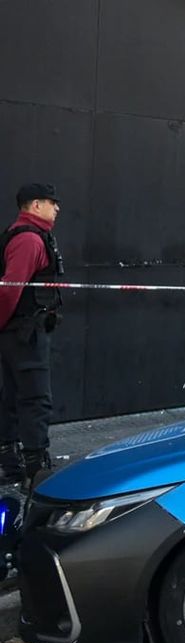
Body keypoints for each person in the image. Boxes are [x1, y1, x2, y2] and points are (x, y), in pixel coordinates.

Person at [0, 183, 64, 487]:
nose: (57, 208)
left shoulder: (29, 235)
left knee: (11, 398)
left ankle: (10, 465)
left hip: (19, 332)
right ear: (35, 205)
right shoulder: (28, 239)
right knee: (36, 399)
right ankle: (35, 471)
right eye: (52, 202)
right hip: (24, 334)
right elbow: (9, 291)